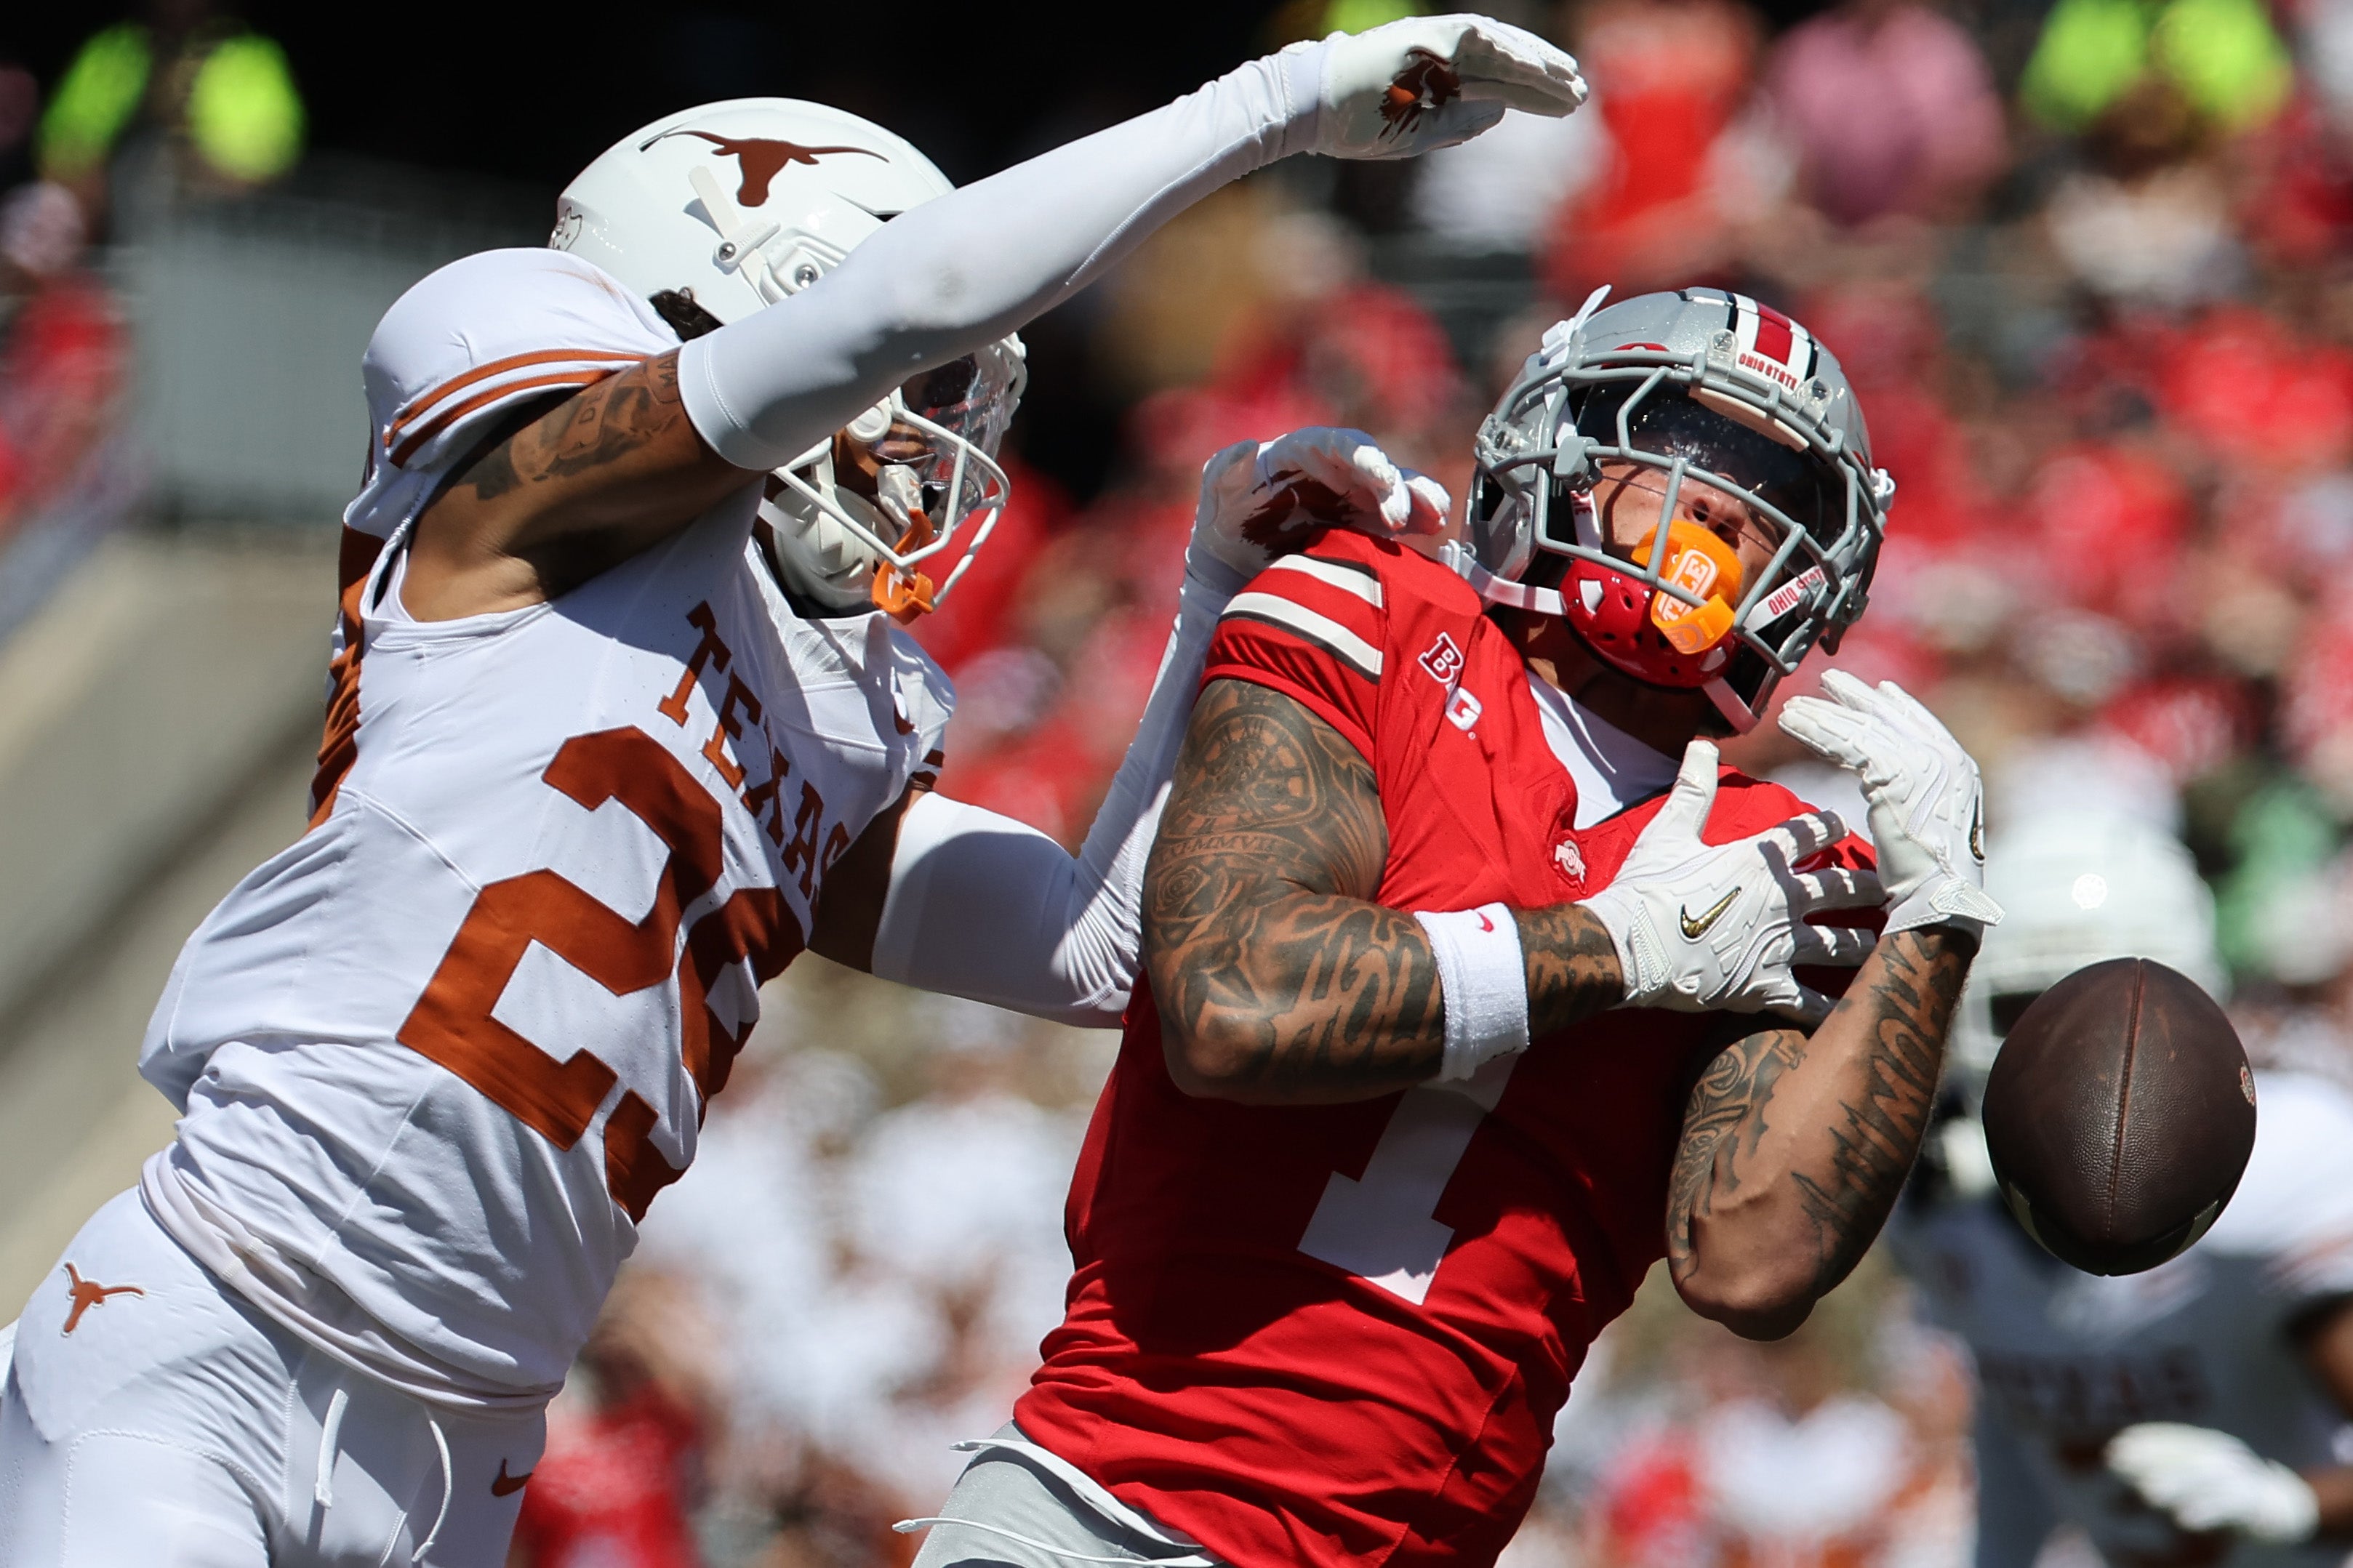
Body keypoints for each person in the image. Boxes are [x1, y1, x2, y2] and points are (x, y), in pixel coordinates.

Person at [0, 17, 1591, 1567]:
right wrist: (1278, 104)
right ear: (733, 304)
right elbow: (907, 298)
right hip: (214, 1334)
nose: (925, 442)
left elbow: (1100, 954)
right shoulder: (522, 489)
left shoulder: (826, 701)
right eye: (912, 380)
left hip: (469, 1442)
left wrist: (1208, 597)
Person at [904, 288, 2000, 1568]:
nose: (1711, 508)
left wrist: (1936, 922)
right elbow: (1233, 1004)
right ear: (1560, 444)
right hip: (1112, 1509)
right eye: (1674, 446)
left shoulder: (1777, 859)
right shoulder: (1370, 611)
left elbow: (1751, 1261)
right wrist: (1628, 945)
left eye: (1764, 494)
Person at [1891, 805, 2353, 1568]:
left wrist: (2292, 1505)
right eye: (2024, 1010)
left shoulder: (2276, 1179)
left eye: (2114, 1017)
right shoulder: (1935, 1207)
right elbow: (2011, 1413)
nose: (2073, 1050)